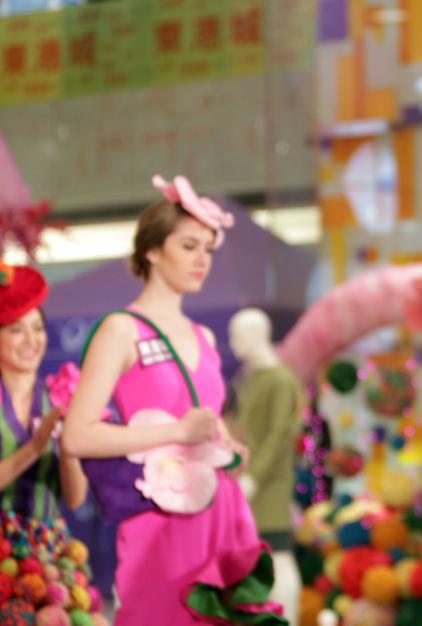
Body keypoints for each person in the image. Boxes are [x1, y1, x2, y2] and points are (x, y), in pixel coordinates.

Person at [61, 176, 285, 625]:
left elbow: (206, 417)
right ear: (152, 250)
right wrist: (178, 432)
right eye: (188, 246)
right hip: (159, 518)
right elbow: (77, 436)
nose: (202, 259)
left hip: (220, 509)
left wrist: (222, 441)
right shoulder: (121, 329)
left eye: (208, 249)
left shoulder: (204, 337)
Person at [0, 264, 108, 620]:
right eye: (17, 330)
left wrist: (70, 447)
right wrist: (34, 447)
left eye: (38, 328)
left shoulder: (59, 398)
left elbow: (75, 498)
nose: (31, 341)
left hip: (49, 555)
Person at [229, 307, 304, 626]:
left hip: (269, 484)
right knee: (255, 556)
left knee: (278, 555)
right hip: (246, 481)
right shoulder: (249, 377)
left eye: (237, 336)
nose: (233, 343)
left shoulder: (280, 379)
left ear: (256, 335)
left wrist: (254, 478)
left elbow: (280, 435)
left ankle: (288, 618)